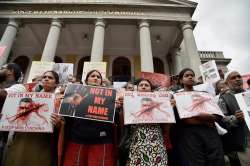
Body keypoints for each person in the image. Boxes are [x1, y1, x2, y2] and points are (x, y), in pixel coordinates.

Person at [4, 70, 63, 166]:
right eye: (44, 77)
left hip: (43, 141)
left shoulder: (60, 100)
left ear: (56, 83)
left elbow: (62, 125)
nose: (46, 79)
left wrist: (59, 123)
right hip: (22, 138)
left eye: (50, 78)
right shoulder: (28, 96)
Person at [169, 68, 225, 166]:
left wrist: (205, 117)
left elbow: (217, 115)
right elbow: (184, 118)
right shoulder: (177, 96)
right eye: (186, 76)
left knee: (215, 160)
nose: (190, 77)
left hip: (210, 134)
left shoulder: (205, 95)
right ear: (181, 80)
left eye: (192, 75)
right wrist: (204, 121)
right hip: (190, 136)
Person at [63, 70, 115, 166]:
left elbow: (114, 119)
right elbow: (67, 118)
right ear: (86, 80)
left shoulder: (110, 97)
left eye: (98, 77)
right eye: (92, 76)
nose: (95, 78)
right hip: (77, 138)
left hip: (101, 140)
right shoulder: (76, 94)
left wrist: (116, 106)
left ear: (101, 81)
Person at [126, 78, 169, 166]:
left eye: (146, 85)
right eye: (141, 85)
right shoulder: (130, 101)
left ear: (151, 89)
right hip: (138, 139)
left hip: (156, 139)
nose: (144, 87)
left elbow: (167, 121)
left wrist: (169, 108)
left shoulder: (159, 101)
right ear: (137, 88)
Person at [218, 71, 250, 166]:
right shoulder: (223, 98)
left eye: (239, 76)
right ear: (227, 83)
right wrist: (234, 118)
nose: (237, 79)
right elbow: (221, 119)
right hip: (243, 144)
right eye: (233, 78)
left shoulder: (248, 94)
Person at [0, 63, 25, 164]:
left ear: (11, 71)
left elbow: (3, 94)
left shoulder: (19, 87)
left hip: (3, 133)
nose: (0, 69)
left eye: (2, 68)